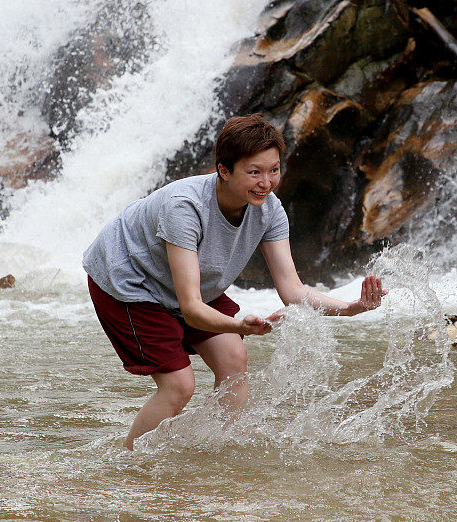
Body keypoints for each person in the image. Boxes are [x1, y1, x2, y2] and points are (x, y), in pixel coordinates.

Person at [83, 114, 386, 450]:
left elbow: (293, 291)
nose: (266, 182)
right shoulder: (184, 207)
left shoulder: (270, 210)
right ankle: (128, 465)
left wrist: (351, 308)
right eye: (254, 172)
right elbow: (191, 308)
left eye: (273, 170)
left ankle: (218, 451)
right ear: (223, 171)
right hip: (129, 279)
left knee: (233, 358)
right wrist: (238, 323)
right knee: (179, 386)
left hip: (188, 282)